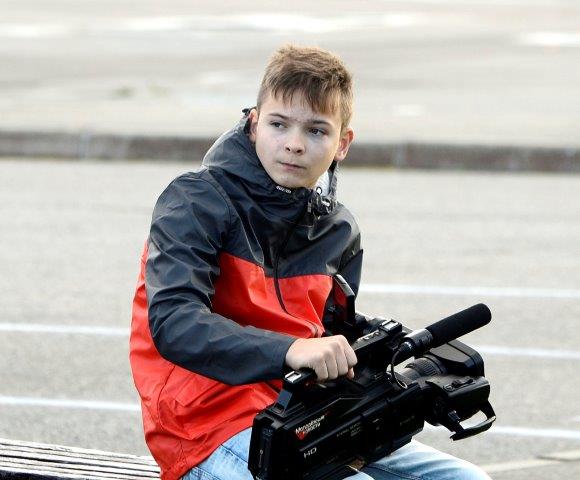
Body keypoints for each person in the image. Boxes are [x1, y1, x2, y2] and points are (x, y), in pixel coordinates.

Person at [130, 45, 490, 480]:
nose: (294, 144)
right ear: (253, 124)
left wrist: (389, 348)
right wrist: (291, 350)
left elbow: (330, 332)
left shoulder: (337, 228)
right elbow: (174, 323)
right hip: (204, 426)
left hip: (306, 417)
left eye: (317, 130)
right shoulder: (195, 200)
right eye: (278, 124)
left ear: (343, 144)